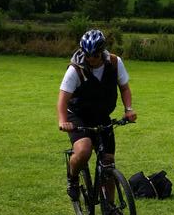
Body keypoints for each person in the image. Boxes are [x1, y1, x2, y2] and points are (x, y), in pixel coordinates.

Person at [57, 29, 137, 200]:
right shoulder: (76, 69)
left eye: (94, 54)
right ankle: (72, 178)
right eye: (87, 54)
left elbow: (124, 88)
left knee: (108, 161)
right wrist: (63, 121)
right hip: (78, 116)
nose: (91, 58)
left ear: (102, 51)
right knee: (84, 150)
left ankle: (111, 207)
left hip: (101, 116)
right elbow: (63, 99)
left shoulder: (115, 63)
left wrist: (128, 109)